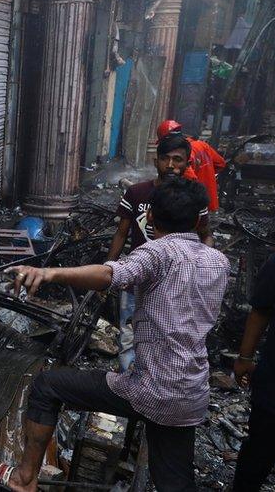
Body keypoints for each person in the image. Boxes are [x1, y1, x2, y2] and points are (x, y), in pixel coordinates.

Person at [0, 177, 230, 492]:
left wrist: (50, 272)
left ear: (149, 216)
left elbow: (110, 274)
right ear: (197, 220)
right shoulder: (218, 263)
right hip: (192, 392)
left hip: (150, 389)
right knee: (175, 480)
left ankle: (23, 479)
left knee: (48, 386)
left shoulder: (158, 252)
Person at [105, 133, 214, 371]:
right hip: (136, 279)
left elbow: (205, 234)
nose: (171, 165)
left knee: (169, 337)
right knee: (129, 335)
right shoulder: (136, 193)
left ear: (188, 163)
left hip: (175, 283)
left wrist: (201, 269)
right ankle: (130, 387)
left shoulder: (193, 198)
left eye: (178, 159)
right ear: (156, 161)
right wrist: (109, 270)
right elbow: (121, 233)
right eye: (166, 159)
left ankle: (157, 389)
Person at [232, 249, 275, 491]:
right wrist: (244, 357)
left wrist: (244, 358)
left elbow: (261, 312)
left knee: (256, 460)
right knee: (255, 461)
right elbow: (261, 311)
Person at [157, 120, 226, 212]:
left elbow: (190, 179)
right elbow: (221, 164)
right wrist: (207, 174)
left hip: (195, 207)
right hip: (211, 202)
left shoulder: (183, 155)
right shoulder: (202, 145)